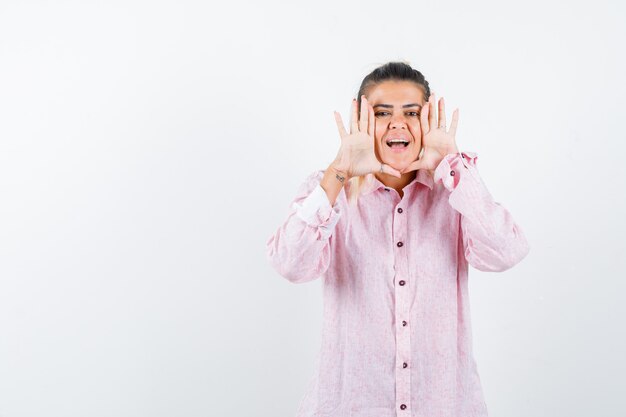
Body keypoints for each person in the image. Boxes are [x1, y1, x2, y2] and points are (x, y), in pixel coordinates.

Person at [265, 61, 530, 417]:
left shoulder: (454, 193)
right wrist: (338, 172)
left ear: (427, 122)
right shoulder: (331, 192)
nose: (397, 123)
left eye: (411, 112)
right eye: (382, 112)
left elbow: (507, 251)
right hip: (348, 406)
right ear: (361, 121)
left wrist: (453, 167)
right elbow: (289, 263)